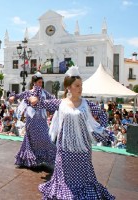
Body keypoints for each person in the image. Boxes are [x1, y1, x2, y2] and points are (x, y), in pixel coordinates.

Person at [29, 66, 115, 199]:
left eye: (81, 85)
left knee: (84, 176)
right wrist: (34, 100)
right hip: (65, 149)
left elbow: (103, 115)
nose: (80, 88)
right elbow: (42, 104)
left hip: (83, 149)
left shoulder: (87, 104)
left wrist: (99, 130)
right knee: (65, 176)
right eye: (77, 86)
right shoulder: (60, 103)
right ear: (69, 87)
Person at [9, 72, 56, 168]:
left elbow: (52, 99)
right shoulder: (29, 93)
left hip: (42, 120)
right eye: (39, 82)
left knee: (45, 138)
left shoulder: (44, 92)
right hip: (32, 120)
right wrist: (13, 97)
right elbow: (19, 96)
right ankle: (30, 159)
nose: (40, 84)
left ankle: (44, 158)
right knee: (31, 139)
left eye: (41, 82)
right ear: (34, 83)